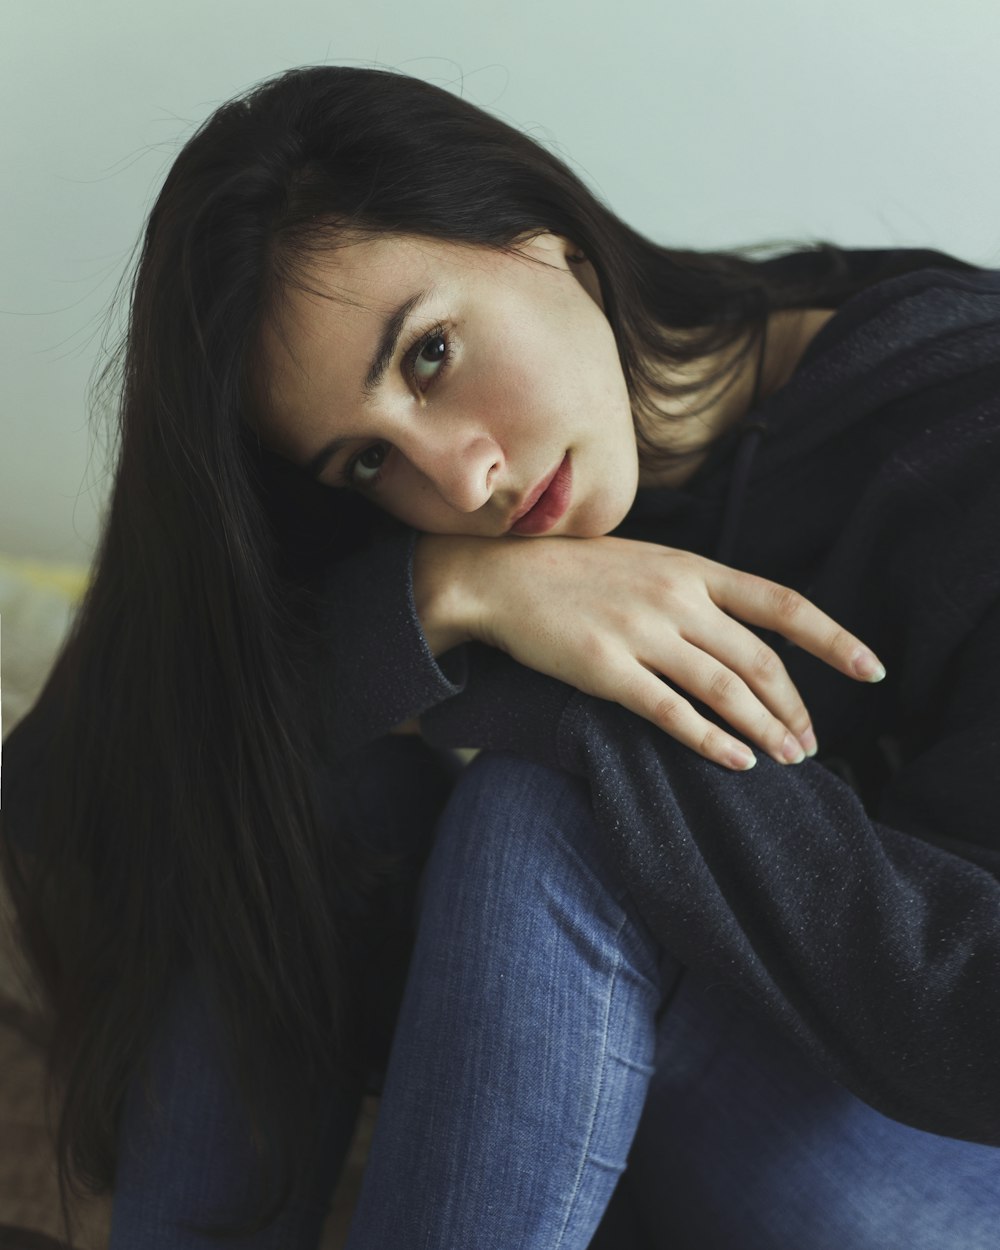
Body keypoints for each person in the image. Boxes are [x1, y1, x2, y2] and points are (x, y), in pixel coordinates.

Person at [1, 62, 998, 1249]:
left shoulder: (958, 420)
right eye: (365, 460)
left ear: (547, 239)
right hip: (690, 1080)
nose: (458, 476)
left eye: (428, 355)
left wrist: (593, 731)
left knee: (550, 805)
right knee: (295, 764)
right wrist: (450, 592)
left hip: (944, 1147)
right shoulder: (448, 532)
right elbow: (63, 790)